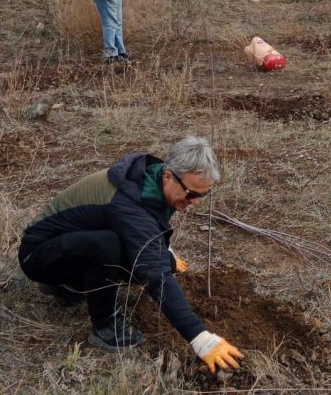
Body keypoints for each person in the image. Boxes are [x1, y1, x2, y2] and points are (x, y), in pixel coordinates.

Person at [17, 136, 245, 375]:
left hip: (67, 246)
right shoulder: (129, 201)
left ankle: (69, 286)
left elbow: (149, 231)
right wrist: (201, 338)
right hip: (38, 255)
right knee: (112, 247)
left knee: (153, 258)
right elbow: (153, 272)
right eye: (190, 193)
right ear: (168, 176)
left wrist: (165, 254)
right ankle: (105, 328)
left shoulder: (154, 182)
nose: (195, 202)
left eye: (202, 195)